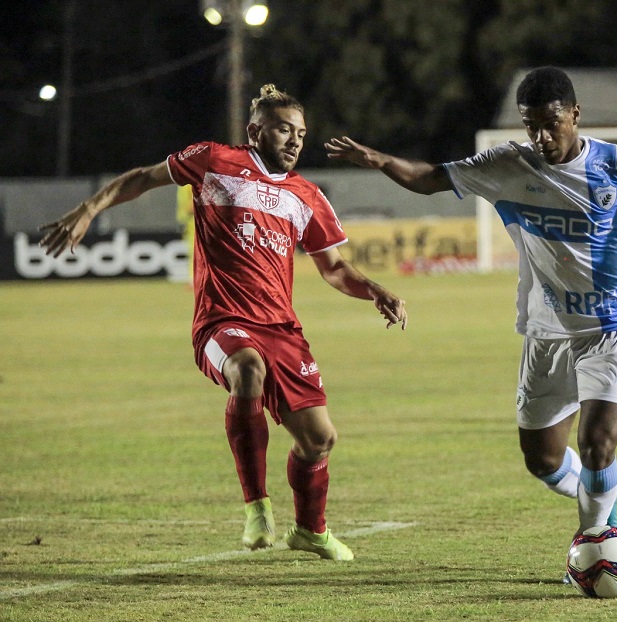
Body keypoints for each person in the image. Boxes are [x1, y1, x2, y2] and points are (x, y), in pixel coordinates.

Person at [325, 66, 617, 558]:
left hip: (613, 327)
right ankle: (604, 509)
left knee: (598, 444)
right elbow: (430, 178)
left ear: (575, 115)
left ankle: (595, 542)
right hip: (547, 331)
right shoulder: (508, 164)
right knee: (542, 460)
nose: (541, 137)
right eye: (530, 126)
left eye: (551, 124)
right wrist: (378, 159)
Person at [39, 84, 407, 560]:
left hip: (281, 329)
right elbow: (144, 178)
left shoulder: (307, 195)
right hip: (222, 320)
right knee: (247, 369)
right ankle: (257, 508)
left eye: (300, 134)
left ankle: (310, 531)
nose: (294, 141)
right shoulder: (214, 161)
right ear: (255, 131)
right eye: (283, 130)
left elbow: (333, 268)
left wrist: (374, 289)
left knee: (319, 440)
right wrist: (89, 208)